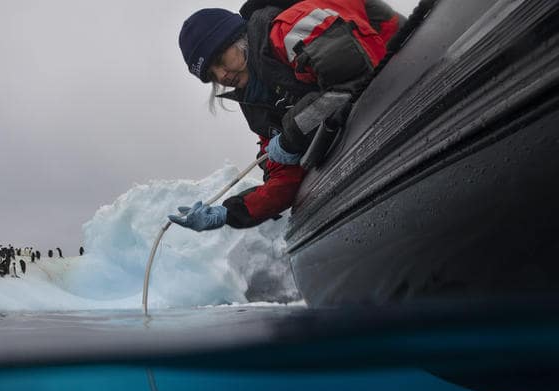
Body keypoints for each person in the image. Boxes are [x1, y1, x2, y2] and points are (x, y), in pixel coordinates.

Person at [169, 0, 405, 232]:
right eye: (211, 75)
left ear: (239, 37)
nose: (222, 75)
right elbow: (283, 176)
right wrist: (230, 213)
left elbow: (352, 81)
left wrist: (291, 137)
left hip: (407, 77)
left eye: (220, 60)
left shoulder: (291, 28)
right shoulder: (256, 103)